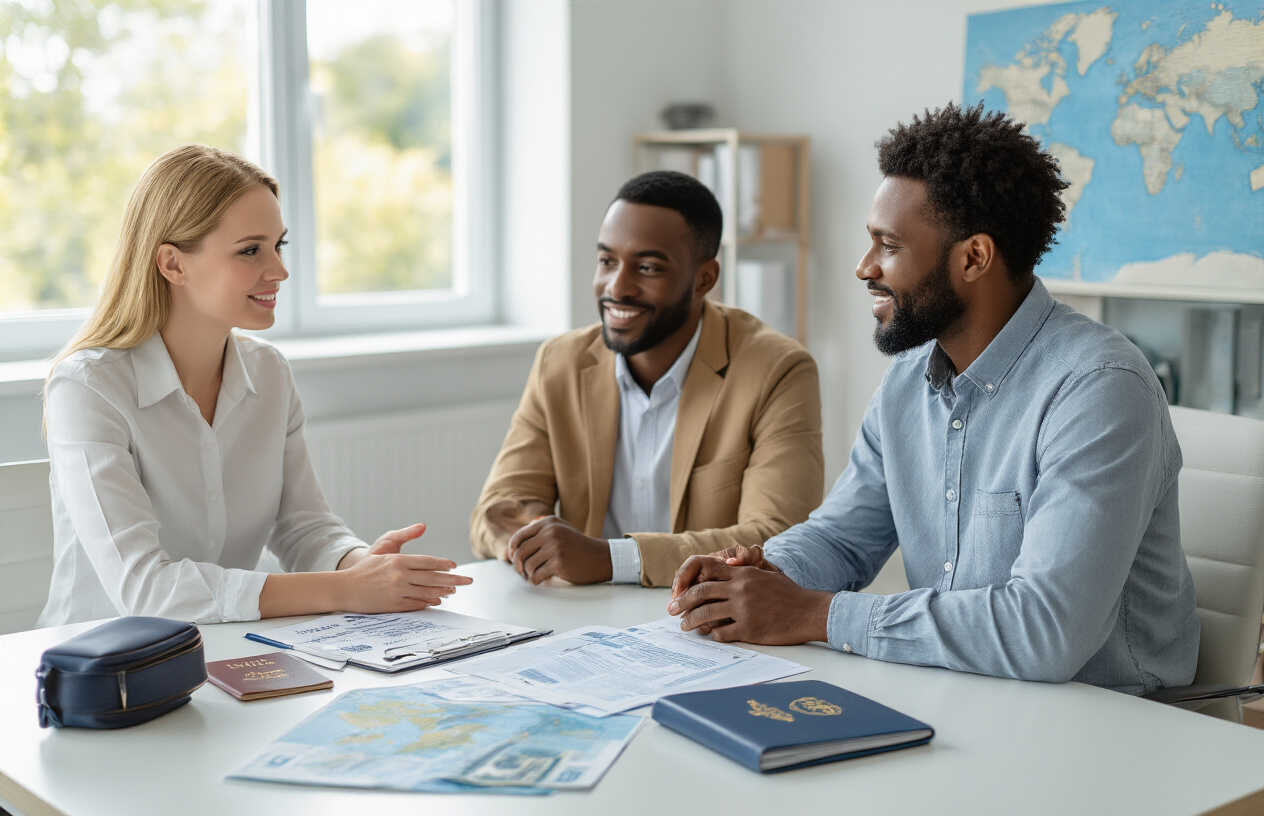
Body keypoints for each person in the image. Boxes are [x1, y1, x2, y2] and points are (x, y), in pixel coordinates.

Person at [669, 103, 1199, 693]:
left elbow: (1045, 631)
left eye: (887, 245)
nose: (863, 267)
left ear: (973, 257)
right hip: (969, 689)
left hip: (1114, 721)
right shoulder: (908, 380)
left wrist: (811, 614)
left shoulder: (1099, 388)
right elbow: (845, 536)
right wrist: (763, 572)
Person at [39, 144, 471, 627]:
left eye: (277, 245)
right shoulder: (88, 388)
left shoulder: (269, 372)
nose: (280, 271)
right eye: (250, 250)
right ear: (173, 264)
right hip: (95, 673)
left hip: (226, 651)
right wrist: (345, 588)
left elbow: (302, 526)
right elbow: (146, 589)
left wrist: (358, 564)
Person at [470, 170, 824, 587]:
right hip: (582, 613)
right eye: (607, 261)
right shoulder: (560, 362)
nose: (617, 287)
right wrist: (537, 541)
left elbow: (778, 538)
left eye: (648, 267)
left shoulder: (777, 370)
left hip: (708, 618)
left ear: (705, 279)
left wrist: (609, 558)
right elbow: (496, 510)